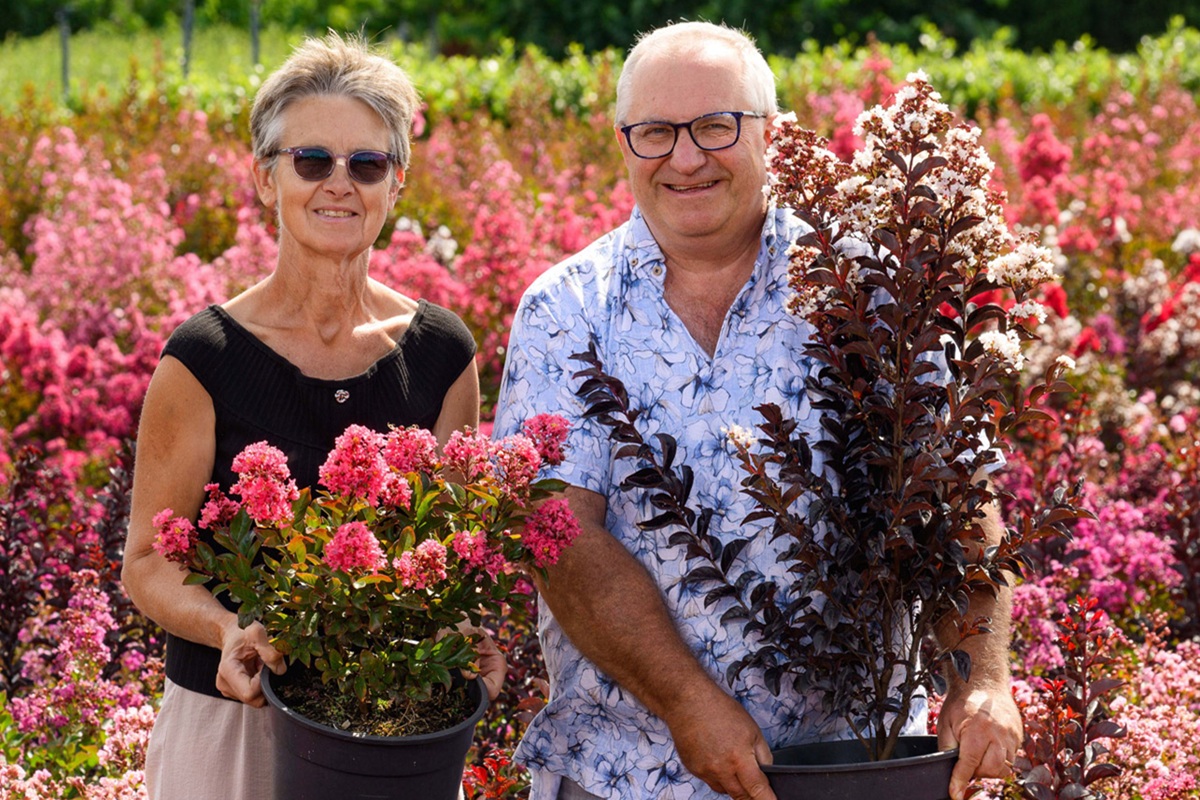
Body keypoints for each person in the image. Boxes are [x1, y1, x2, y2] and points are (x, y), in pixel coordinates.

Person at [493, 20, 1022, 800]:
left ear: (770, 134)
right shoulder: (568, 310)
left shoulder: (865, 293)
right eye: (654, 133)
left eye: (715, 126)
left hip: (857, 766)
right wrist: (686, 703)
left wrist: (982, 680)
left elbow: (955, 498)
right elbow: (560, 536)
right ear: (623, 143)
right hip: (628, 774)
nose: (685, 157)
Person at [122, 32, 504, 799]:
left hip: (395, 729)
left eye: (367, 164)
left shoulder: (440, 354)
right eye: (311, 161)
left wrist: (470, 636)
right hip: (230, 726)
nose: (340, 183)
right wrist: (226, 630)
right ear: (266, 179)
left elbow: (460, 545)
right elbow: (148, 564)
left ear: (396, 186)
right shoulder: (203, 358)